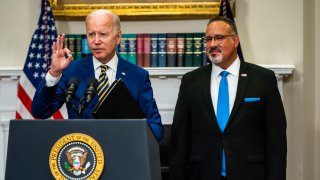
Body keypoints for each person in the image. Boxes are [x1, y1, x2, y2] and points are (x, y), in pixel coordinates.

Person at [170, 16, 287, 180]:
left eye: (219, 38)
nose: (212, 44)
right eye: (208, 39)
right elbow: (179, 139)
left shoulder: (263, 79)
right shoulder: (191, 81)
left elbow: (276, 141)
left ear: (235, 40)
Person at [31, 9, 163, 142]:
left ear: (118, 37)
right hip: (83, 154)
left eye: (103, 34)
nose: (96, 41)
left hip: (122, 151)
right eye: (91, 34)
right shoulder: (72, 71)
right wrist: (54, 72)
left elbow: (156, 128)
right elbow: (40, 112)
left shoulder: (138, 76)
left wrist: (132, 135)